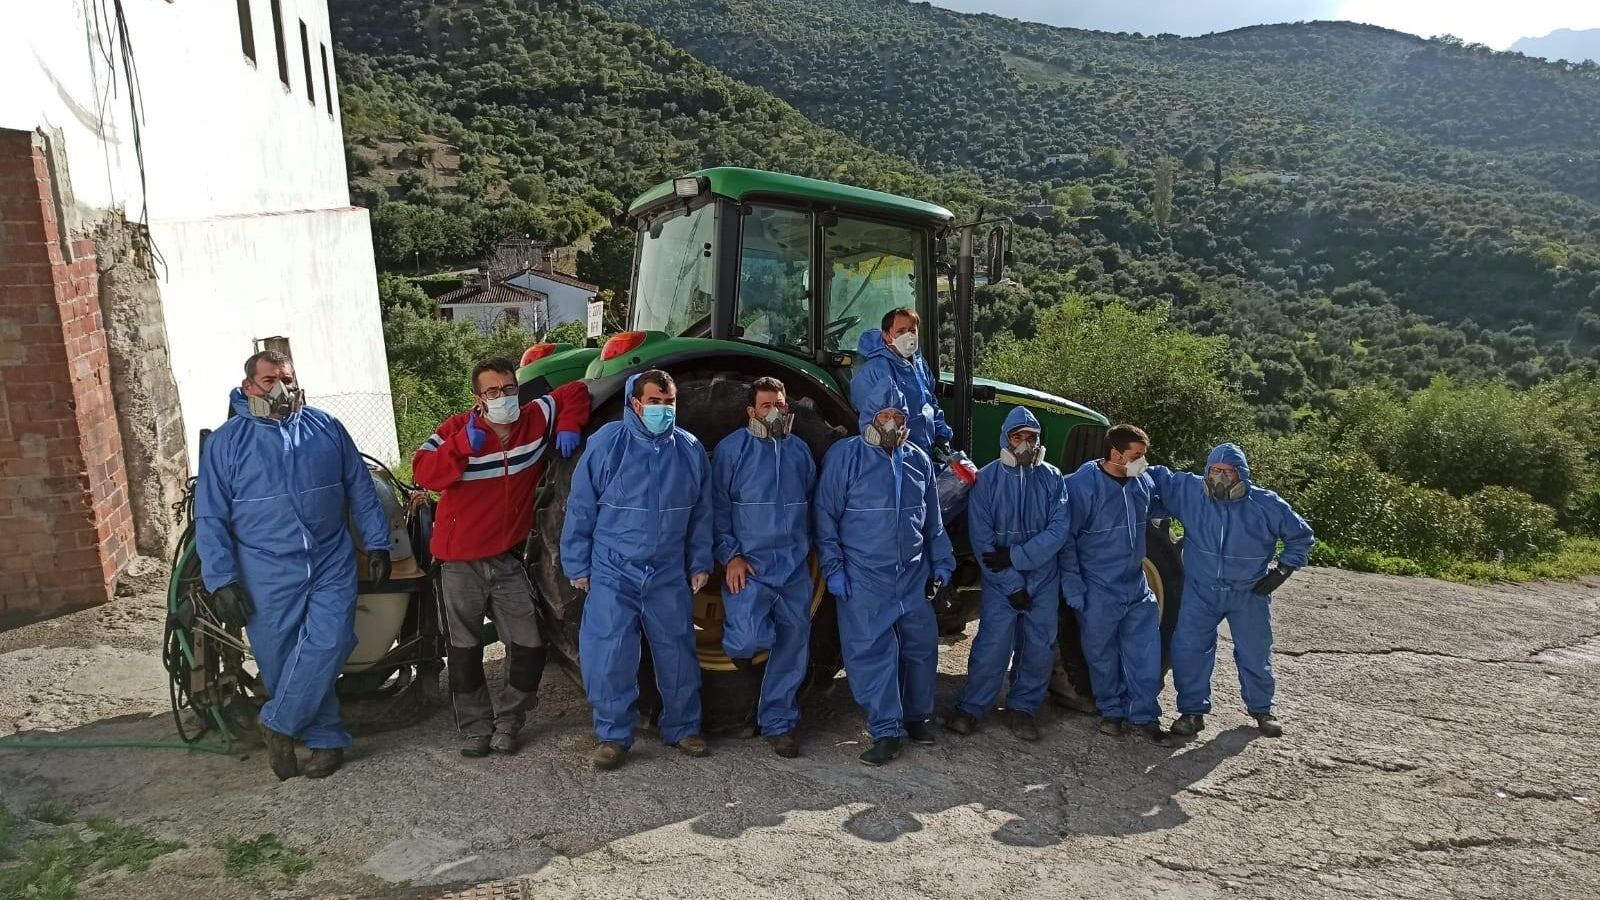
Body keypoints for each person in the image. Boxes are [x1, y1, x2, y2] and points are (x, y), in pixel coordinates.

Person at [195, 350, 392, 780]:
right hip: (263, 567)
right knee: (281, 660)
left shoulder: (326, 427)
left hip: (329, 558)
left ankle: (277, 723)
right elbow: (210, 515)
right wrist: (221, 578)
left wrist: (377, 541)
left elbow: (359, 486)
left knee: (332, 640)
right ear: (248, 387)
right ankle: (326, 739)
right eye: (269, 381)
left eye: (286, 379)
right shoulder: (226, 444)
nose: (280, 389)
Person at [412, 357, 590, 758]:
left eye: (509, 389)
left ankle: (509, 721)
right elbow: (424, 473)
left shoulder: (534, 418)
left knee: (529, 645)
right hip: (459, 563)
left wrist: (568, 423)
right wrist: (461, 447)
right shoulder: (456, 428)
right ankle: (476, 728)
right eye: (492, 391)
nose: (503, 397)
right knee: (464, 651)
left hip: (506, 559)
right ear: (479, 397)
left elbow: (576, 390)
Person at [560, 370, 714, 770]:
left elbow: (702, 512)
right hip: (614, 569)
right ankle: (613, 735)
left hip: (667, 569)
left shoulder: (689, 449)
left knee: (677, 651)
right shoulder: (608, 444)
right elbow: (581, 506)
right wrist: (577, 563)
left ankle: (683, 727)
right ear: (635, 403)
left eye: (669, 402)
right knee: (609, 654)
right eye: (654, 402)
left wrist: (699, 561)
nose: (663, 410)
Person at [815, 402, 955, 766]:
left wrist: (942, 560)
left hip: (911, 574)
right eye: (885, 417)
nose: (892, 424)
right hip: (865, 575)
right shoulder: (845, 457)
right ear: (869, 417)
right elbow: (826, 517)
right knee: (872, 654)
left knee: (920, 647)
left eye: (899, 418)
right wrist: (834, 569)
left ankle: (917, 718)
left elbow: (933, 520)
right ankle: (886, 730)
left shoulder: (918, 460)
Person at [1148, 444, 1315, 738]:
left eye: (1228, 472)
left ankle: (1262, 709)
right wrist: (1130, 466)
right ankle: (1192, 712)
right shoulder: (1191, 493)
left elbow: (1300, 536)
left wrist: (1282, 571)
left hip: (1249, 592)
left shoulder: (1266, 504)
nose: (1220, 478)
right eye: (1215, 471)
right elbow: (1159, 478)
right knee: (1189, 649)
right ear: (1206, 472)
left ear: (1242, 475)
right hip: (1201, 590)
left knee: (1254, 652)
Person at [946, 407, 1070, 741]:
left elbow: (1058, 530)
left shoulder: (1052, 477)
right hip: (1001, 582)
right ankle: (972, 707)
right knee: (992, 645)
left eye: (1031, 437)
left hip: (1043, 578)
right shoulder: (987, 480)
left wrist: (1016, 556)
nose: (1025, 444)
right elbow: (983, 542)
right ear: (1006, 439)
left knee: (1039, 647)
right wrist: (1011, 583)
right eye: (1018, 437)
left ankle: (1023, 708)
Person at [711, 377, 817, 758]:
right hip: (750, 567)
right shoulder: (731, 451)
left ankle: (779, 723)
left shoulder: (799, 451)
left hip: (792, 568)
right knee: (748, 639)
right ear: (751, 411)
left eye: (780, 404)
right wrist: (731, 556)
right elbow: (717, 509)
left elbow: (810, 502)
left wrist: (809, 551)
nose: (775, 412)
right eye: (767, 405)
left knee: (793, 645)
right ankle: (744, 674)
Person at [1059, 424, 1169, 745]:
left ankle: (1144, 715)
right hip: (1098, 588)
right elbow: (1066, 540)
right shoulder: (1081, 487)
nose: (1142, 462)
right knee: (1101, 655)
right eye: (1137, 456)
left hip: (1136, 585)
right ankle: (1112, 711)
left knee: (1145, 653)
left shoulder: (1141, 483)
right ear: (1116, 454)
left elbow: (1154, 507)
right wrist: (1073, 586)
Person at [850, 307, 953, 462]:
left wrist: (942, 436)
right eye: (901, 331)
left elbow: (930, 403)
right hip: (899, 456)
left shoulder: (919, 365)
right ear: (886, 335)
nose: (908, 336)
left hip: (927, 453)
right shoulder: (874, 371)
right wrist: (896, 450)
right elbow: (873, 422)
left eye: (912, 330)